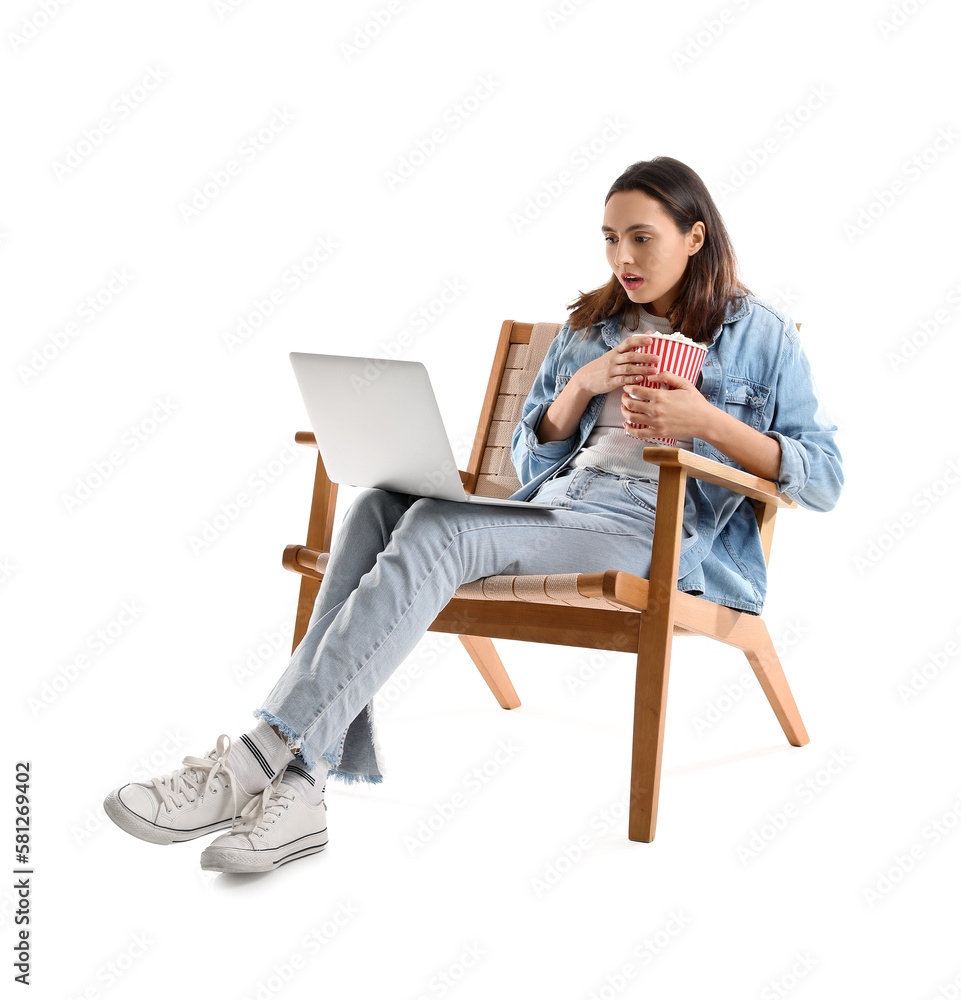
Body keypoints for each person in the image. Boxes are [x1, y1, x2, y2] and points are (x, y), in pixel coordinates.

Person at [104, 155, 843, 874]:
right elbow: (534, 461)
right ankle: (300, 789)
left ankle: (254, 762)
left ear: (694, 235)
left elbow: (824, 478)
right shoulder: (591, 328)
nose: (622, 255)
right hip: (565, 508)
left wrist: (708, 422)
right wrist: (579, 386)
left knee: (433, 530)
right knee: (377, 505)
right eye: (609, 238)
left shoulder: (761, 335)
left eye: (640, 236)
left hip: (654, 529)